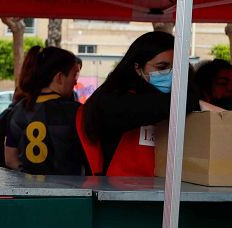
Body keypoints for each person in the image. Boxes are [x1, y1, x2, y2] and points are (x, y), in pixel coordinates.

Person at [79, 31, 199, 177]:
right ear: (138, 68)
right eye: (162, 67)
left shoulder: (178, 98)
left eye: (177, 68)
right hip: (118, 191)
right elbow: (147, 108)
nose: (171, 74)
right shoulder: (113, 99)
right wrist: (190, 100)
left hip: (166, 190)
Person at [3, 46, 86, 175]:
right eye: (74, 75)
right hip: (68, 192)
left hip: (27, 191)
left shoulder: (18, 109)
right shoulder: (76, 112)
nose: (75, 82)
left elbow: (10, 159)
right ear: (59, 77)